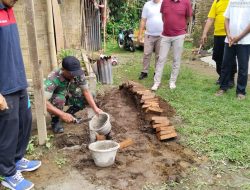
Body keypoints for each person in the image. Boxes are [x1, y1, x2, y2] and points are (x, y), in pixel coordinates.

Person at [0, 0, 41, 190]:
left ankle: (17, 160)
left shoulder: (9, 9)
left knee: (25, 122)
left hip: (18, 81)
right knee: (8, 132)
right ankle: (7, 174)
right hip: (4, 87)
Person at [44, 56, 102, 133]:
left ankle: (69, 113)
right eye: (72, 73)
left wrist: (95, 109)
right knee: (59, 99)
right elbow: (43, 102)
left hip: (69, 95)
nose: (75, 75)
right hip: (57, 99)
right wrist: (62, 114)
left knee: (91, 94)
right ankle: (56, 120)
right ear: (63, 70)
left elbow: (86, 92)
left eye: (76, 73)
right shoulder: (53, 78)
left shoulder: (78, 73)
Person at [151, 0, 192, 91]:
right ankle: (156, 82)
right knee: (161, 59)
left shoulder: (186, 2)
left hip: (179, 35)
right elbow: (163, 17)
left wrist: (182, 27)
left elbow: (188, 17)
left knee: (176, 59)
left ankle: (172, 81)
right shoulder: (165, 2)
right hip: (165, 35)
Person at [215, 0, 250, 100]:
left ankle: (241, 91)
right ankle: (223, 87)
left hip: (245, 41)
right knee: (226, 64)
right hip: (229, 40)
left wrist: (238, 37)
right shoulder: (232, 1)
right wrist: (228, 34)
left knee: (243, 67)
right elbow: (226, 19)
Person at [201, 0, 237, 86]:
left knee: (230, 58)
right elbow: (210, 19)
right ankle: (222, 76)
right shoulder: (217, 2)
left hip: (230, 34)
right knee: (217, 57)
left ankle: (230, 79)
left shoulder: (234, 1)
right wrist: (204, 33)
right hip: (218, 34)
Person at [138, 0, 163, 80]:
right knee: (146, 53)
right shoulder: (147, 5)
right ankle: (144, 72)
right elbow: (143, 20)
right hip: (149, 34)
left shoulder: (164, 3)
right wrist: (140, 34)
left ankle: (157, 72)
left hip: (161, 35)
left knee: (159, 55)